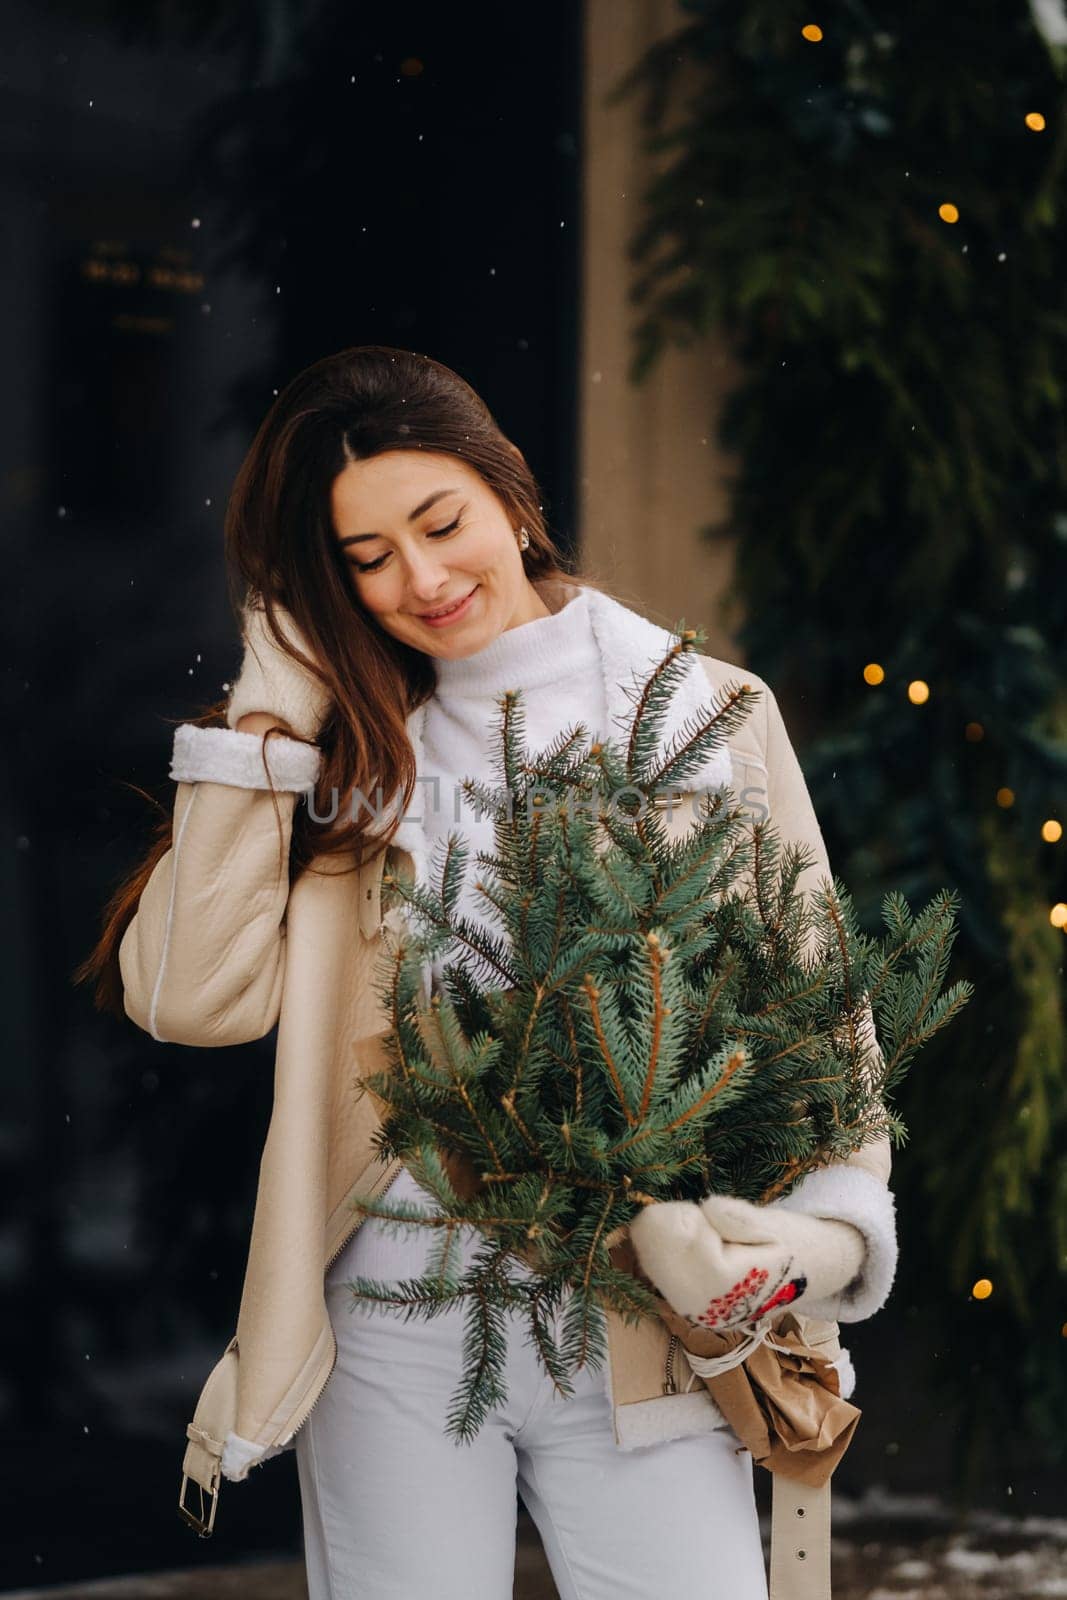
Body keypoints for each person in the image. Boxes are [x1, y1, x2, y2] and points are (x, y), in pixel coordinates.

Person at [79, 346, 897, 1600]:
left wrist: (814, 1237)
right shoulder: (344, 753)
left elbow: (820, 1023)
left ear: (506, 492)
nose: (420, 579)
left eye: (439, 521)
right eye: (364, 559)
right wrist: (258, 730)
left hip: (640, 1312)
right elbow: (191, 997)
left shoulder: (704, 719)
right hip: (391, 1330)